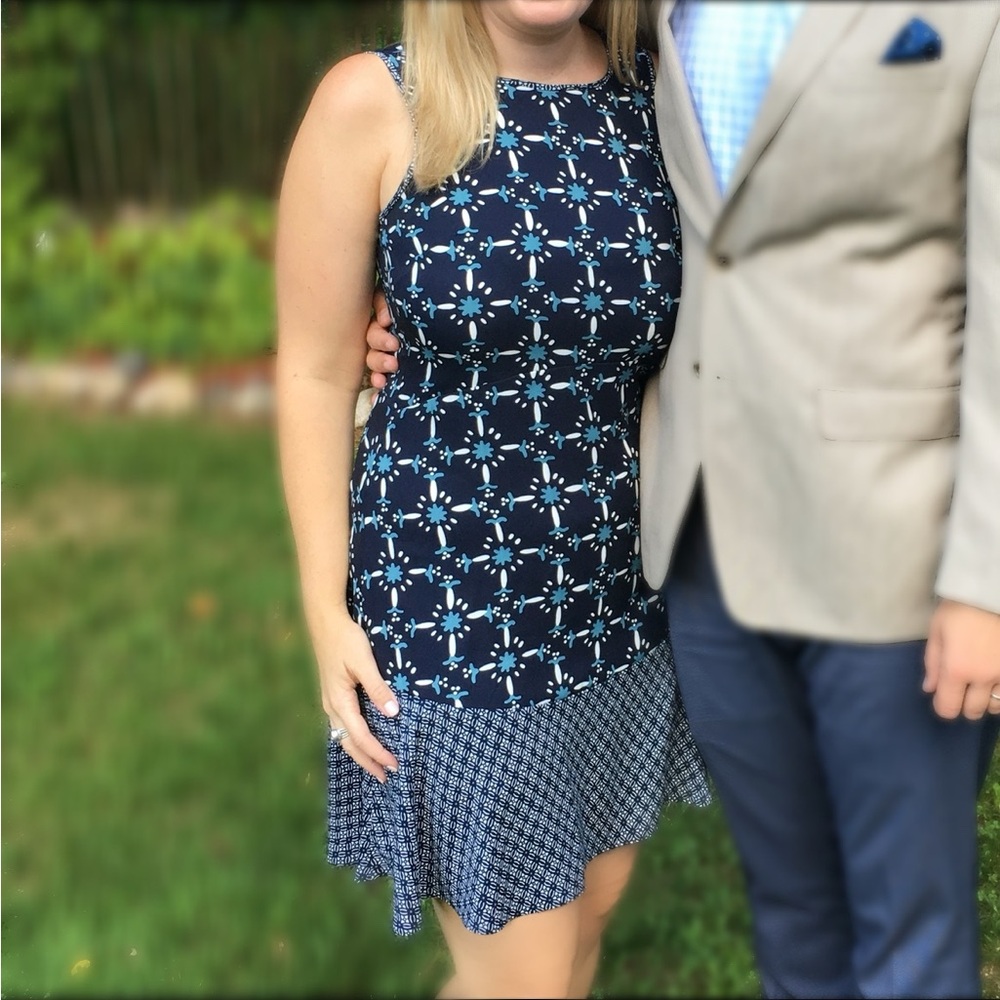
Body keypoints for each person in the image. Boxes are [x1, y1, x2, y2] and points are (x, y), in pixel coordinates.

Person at [367, 1, 1000, 997]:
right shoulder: (655, 23)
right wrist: (417, 304)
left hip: (899, 555)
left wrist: (986, 576)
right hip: (702, 553)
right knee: (791, 908)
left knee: (908, 932)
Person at [274, 1, 709, 997]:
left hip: (616, 607)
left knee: (580, 928)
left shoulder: (652, 105)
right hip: (454, 620)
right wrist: (322, 603)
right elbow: (310, 367)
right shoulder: (376, 103)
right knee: (527, 971)